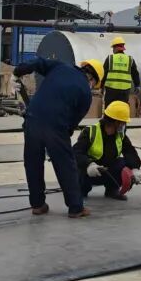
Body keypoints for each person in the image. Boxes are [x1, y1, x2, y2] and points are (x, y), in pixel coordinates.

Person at [13, 58, 102, 218]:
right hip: (56, 126)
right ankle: (76, 208)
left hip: (32, 119)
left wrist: (18, 71)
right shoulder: (86, 93)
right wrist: (61, 140)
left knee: (33, 163)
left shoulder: (60, 66)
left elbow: (38, 62)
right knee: (66, 166)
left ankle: (38, 205)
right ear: (92, 79)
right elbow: (73, 122)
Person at [74, 101, 141, 201]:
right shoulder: (90, 132)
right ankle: (79, 190)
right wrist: (89, 165)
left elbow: (130, 152)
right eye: (123, 122)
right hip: (89, 172)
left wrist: (135, 168)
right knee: (80, 183)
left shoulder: (120, 135)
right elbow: (76, 153)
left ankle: (112, 190)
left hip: (107, 172)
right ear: (116, 122)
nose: (124, 125)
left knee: (122, 162)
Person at [100, 36, 141, 107]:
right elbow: (135, 74)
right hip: (124, 90)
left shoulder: (110, 58)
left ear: (116, 47)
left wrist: (101, 86)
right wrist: (137, 85)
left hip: (111, 90)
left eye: (113, 48)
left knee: (110, 108)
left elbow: (104, 74)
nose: (113, 50)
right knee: (122, 108)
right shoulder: (130, 59)